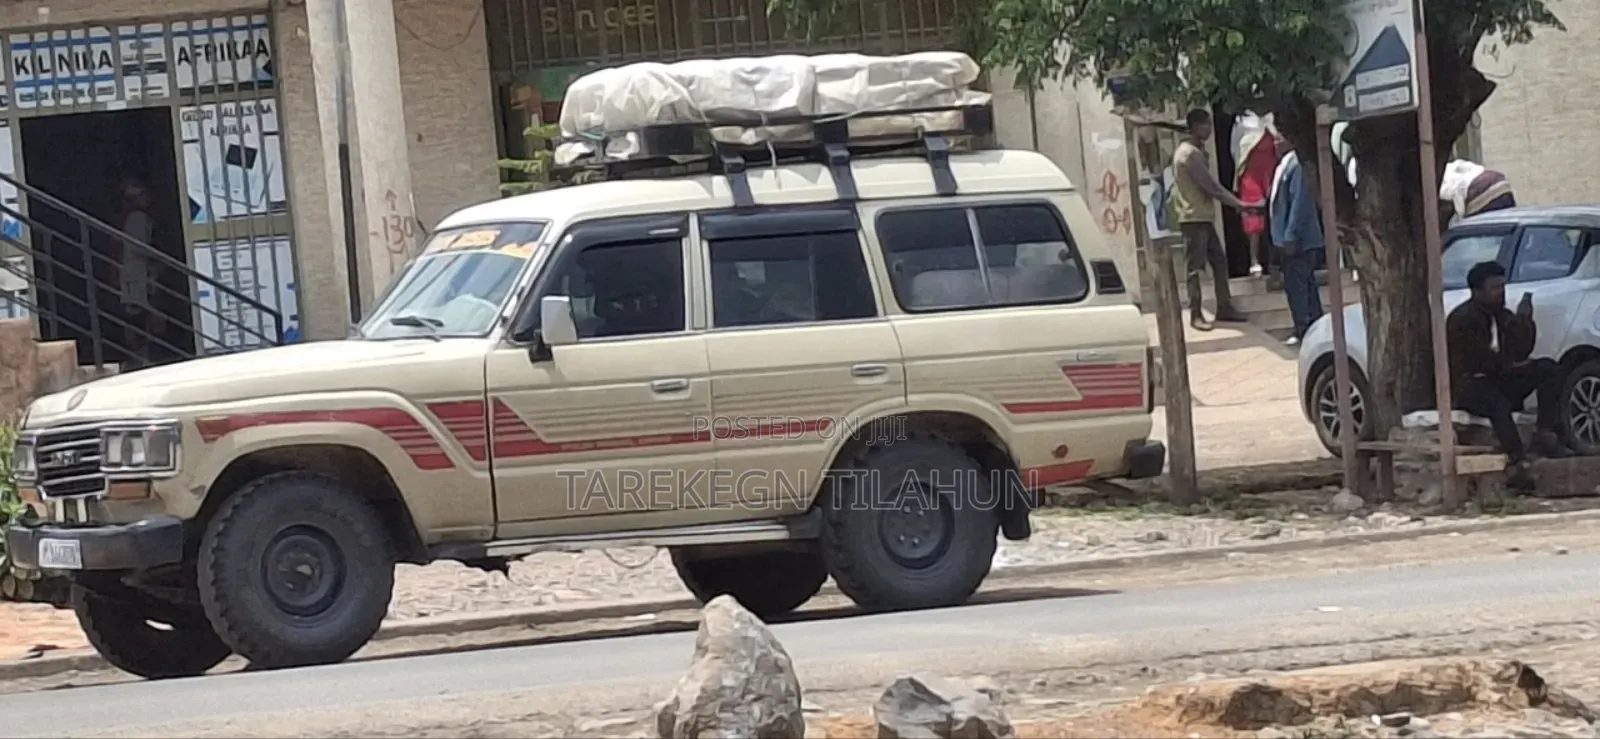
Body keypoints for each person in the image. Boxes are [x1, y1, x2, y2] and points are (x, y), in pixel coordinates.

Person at [1448, 261, 1572, 490]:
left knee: (1548, 368)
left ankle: (1545, 431)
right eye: (1494, 288)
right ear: (1477, 291)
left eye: (1503, 287)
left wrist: (1524, 321)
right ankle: (1517, 461)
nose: (1501, 293)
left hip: (1501, 377)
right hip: (1471, 384)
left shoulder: (1503, 315)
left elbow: (1521, 349)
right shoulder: (1463, 319)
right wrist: (1511, 366)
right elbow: (1476, 361)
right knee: (1497, 403)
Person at [1169, 109, 1261, 331]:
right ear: (1195, 127)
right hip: (1193, 218)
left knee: (1219, 263)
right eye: (1205, 126)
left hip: (1203, 217)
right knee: (1195, 268)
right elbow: (1211, 187)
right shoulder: (1189, 154)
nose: (1209, 130)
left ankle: (1224, 306)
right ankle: (1196, 313)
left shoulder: (1195, 151)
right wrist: (1240, 205)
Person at [1267, 132, 1324, 346]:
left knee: (1299, 288)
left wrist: (1290, 236)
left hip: (1299, 241)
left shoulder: (1297, 165)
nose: (1275, 142)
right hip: (1285, 238)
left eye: (1279, 138)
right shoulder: (1284, 164)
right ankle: (1311, 327)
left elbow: (1300, 203)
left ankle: (1305, 329)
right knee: (1303, 286)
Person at [113, 177, 161, 367]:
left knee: (138, 313)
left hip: (134, 271)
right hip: (136, 271)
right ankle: (138, 357)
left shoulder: (130, 217)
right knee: (137, 314)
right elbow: (138, 247)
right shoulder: (137, 218)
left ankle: (139, 356)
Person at [1232, 112, 1281, 278]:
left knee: (1277, 211)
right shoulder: (1241, 120)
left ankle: (1277, 260)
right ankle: (1254, 260)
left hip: (1271, 169)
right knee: (1253, 216)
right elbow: (1235, 149)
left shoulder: (1272, 116)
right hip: (1251, 172)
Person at [1439, 159, 1515, 226]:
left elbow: (1456, 194)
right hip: (1500, 181)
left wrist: (1461, 218)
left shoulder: (1443, 188)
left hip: (1483, 188)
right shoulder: (1450, 169)